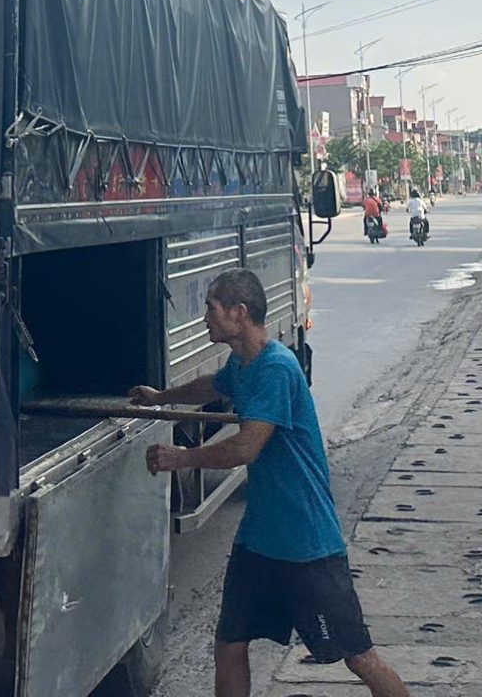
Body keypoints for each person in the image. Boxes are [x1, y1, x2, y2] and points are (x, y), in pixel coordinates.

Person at [131, 271, 412, 697]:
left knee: (359, 657)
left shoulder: (276, 368)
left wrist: (182, 458)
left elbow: (246, 447)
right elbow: (213, 386)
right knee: (229, 645)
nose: (205, 317)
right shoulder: (242, 363)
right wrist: (160, 398)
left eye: (211, 308)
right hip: (259, 541)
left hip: (305, 543)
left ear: (238, 313)